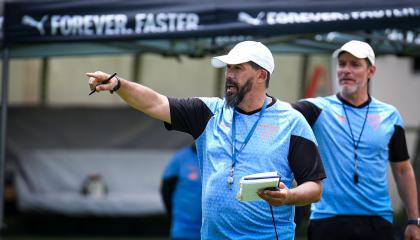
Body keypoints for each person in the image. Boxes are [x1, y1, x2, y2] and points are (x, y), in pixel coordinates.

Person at [87, 40, 326, 240]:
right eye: (228, 68)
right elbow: (155, 102)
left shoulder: (291, 121)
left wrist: (288, 197)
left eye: (238, 69)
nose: (229, 75)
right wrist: (118, 85)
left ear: (261, 75)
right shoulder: (208, 112)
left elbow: (314, 188)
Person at [292, 40, 420, 240]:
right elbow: (281, 112)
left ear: (371, 70)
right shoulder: (318, 109)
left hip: (377, 220)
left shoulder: (390, 115)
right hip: (328, 220)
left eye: (355, 64)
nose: (346, 70)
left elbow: (403, 170)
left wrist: (414, 220)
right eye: (342, 63)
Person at [160, 144, 201, 240]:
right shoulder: (180, 158)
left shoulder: (217, 158)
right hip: (184, 230)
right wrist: (172, 216)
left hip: (211, 230)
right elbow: (166, 190)